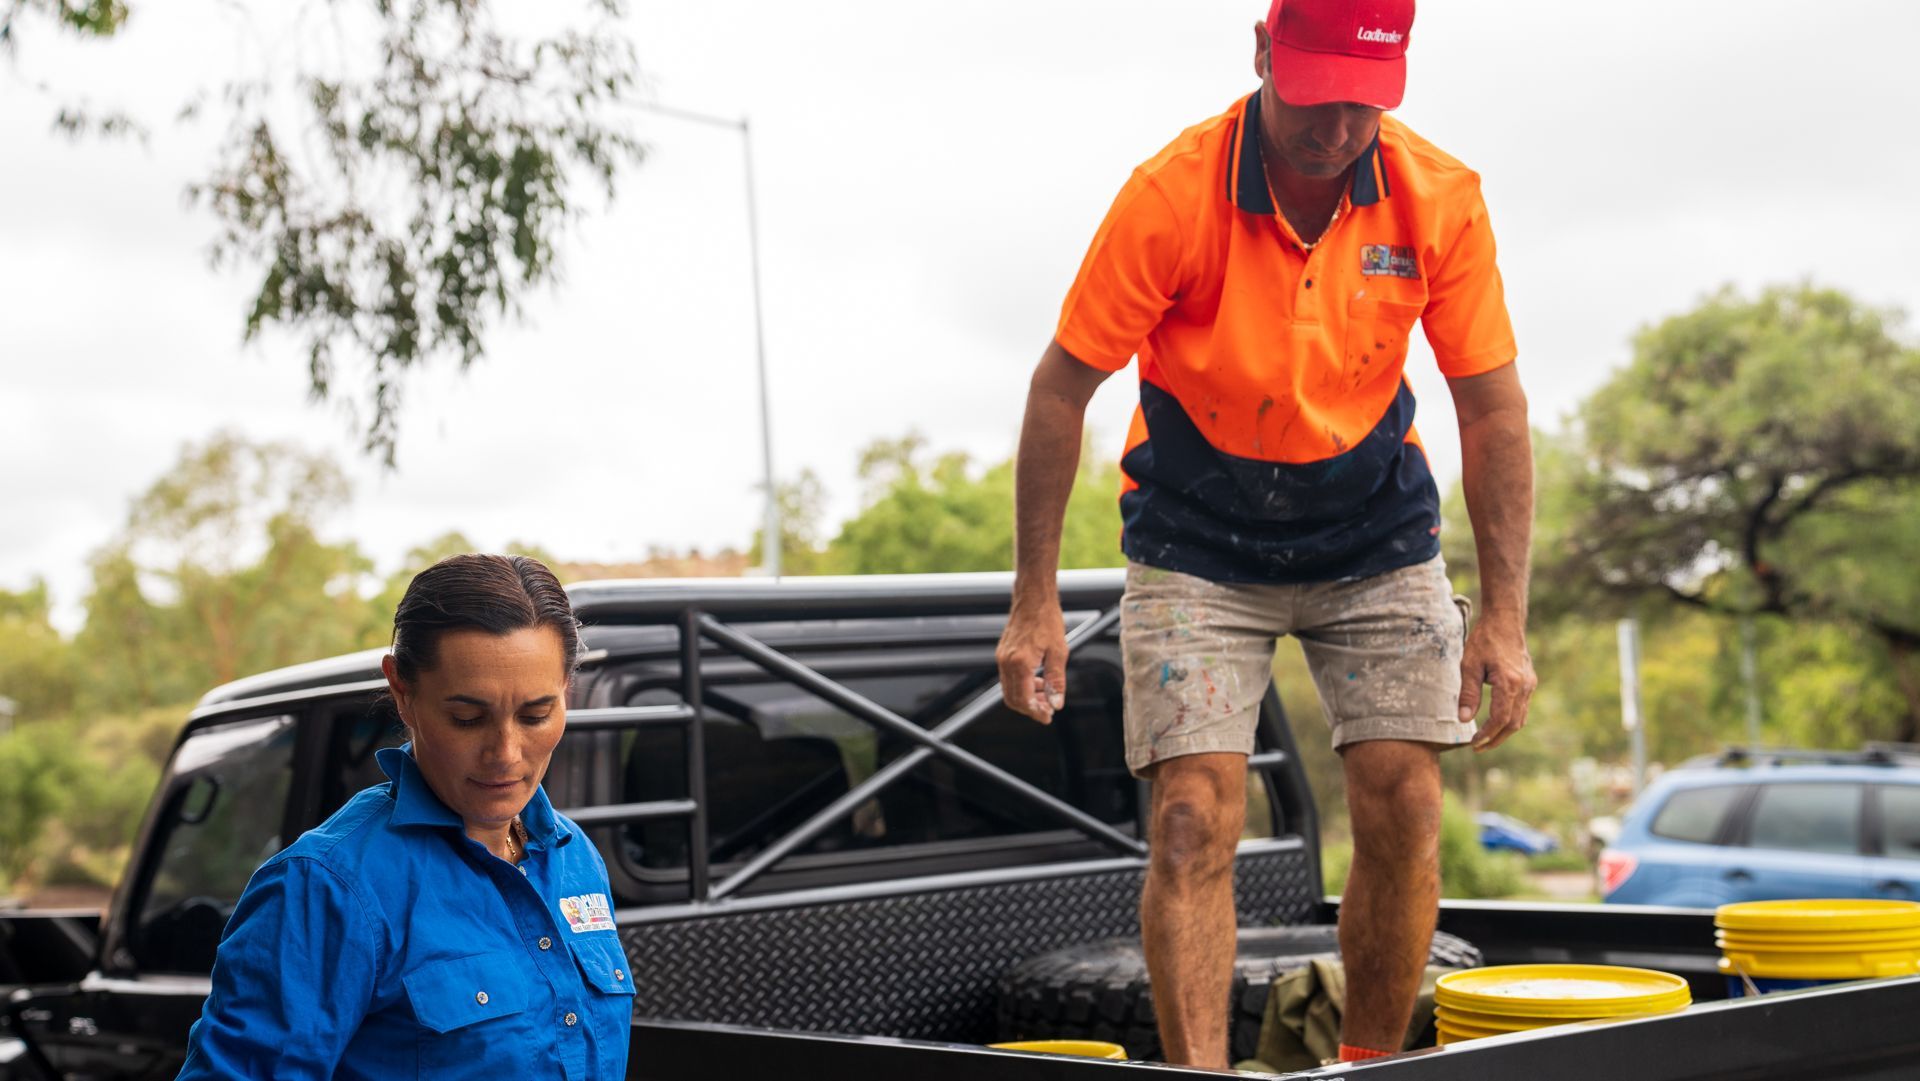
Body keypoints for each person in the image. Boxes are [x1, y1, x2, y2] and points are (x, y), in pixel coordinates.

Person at [995, 0, 1535, 1067]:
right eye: (1317, 93)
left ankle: (1369, 1065)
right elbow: (1064, 389)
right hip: (1198, 535)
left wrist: (1506, 619)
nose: (1337, 128)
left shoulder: (1441, 197)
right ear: (1261, 52)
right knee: (1195, 813)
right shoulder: (1171, 193)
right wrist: (1034, 597)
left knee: (1404, 795)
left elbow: (1492, 407)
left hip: (1373, 527)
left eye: (1364, 103)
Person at [178, 554, 634, 1080]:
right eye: (468, 718)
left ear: (566, 695)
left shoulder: (575, 857)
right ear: (402, 692)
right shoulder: (324, 889)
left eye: (535, 715)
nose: (506, 752)